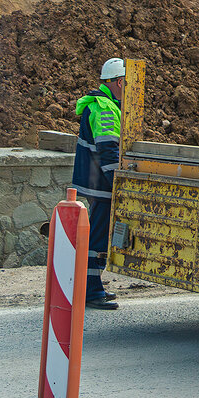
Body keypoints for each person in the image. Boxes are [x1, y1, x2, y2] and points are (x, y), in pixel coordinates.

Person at [71, 57, 125, 310]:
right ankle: (91, 292)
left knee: (97, 236)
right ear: (119, 82)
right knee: (98, 239)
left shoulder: (102, 104)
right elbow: (108, 149)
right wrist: (118, 183)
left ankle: (93, 287)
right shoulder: (104, 108)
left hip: (96, 180)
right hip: (100, 183)